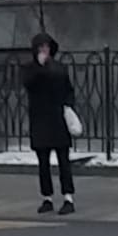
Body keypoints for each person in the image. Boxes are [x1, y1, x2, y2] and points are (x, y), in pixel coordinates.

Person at [20, 33, 79, 217]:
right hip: (40, 120)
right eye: (40, 47)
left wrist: (68, 107)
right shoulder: (29, 69)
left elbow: (68, 90)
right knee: (43, 163)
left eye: (46, 47)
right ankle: (47, 197)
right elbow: (28, 83)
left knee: (64, 162)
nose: (44, 51)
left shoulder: (59, 68)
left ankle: (68, 197)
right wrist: (40, 68)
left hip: (57, 119)